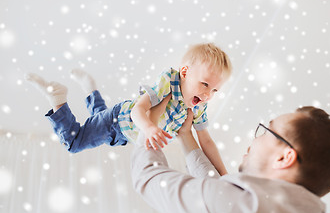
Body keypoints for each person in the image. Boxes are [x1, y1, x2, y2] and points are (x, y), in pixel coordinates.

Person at [131, 97, 330, 213]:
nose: (254, 140)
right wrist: (187, 137)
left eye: (267, 131)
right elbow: (219, 191)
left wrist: (149, 122)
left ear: (284, 157)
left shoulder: (246, 209)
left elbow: (148, 178)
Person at [26, 43, 232, 175]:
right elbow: (138, 110)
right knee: (73, 143)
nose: (208, 95)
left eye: (215, 90)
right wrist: (149, 128)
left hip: (124, 136)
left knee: (98, 118)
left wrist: (224, 174)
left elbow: (206, 141)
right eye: (205, 84)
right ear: (185, 72)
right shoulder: (170, 81)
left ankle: (91, 88)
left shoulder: (198, 108)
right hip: (118, 120)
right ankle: (57, 97)